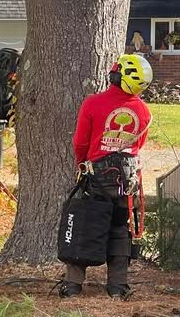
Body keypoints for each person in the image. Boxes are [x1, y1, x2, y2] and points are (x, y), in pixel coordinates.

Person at [59, 54, 153, 299]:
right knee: (121, 228)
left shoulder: (93, 103)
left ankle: (72, 284)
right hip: (126, 180)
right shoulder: (143, 111)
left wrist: (81, 164)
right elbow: (138, 145)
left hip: (97, 175)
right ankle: (117, 286)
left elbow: (81, 142)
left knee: (85, 223)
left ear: (117, 75)